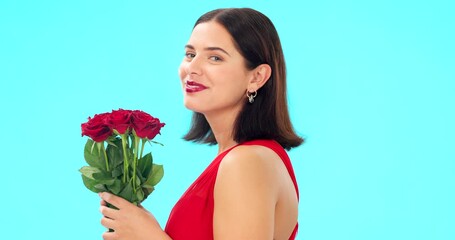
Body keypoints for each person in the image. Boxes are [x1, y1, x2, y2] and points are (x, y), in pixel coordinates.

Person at [98, 7, 303, 240]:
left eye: (215, 57)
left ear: (257, 77)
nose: (192, 68)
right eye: (190, 54)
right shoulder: (245, 158)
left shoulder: (246, 162)